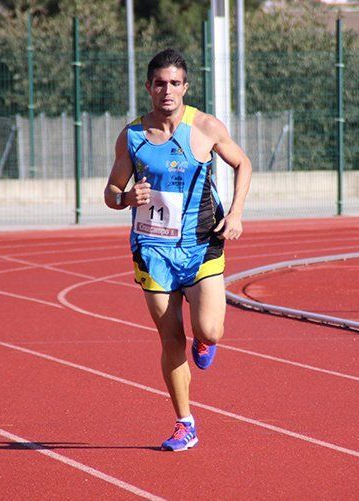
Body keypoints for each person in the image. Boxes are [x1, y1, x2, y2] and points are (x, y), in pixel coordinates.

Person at [104, 48, 252, 451]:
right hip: (153, 250)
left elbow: (243, 164)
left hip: (202, 245)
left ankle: (205, 341)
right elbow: (111, 192)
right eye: (159, 83)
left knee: (208, 329)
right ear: (148, 87)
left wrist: (236, 213)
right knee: (169, 338)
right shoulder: (132, 136)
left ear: (185, 87)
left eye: (174, 83)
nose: (166, 90)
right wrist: (126, 198)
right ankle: (184, 422)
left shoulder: (204, 127)